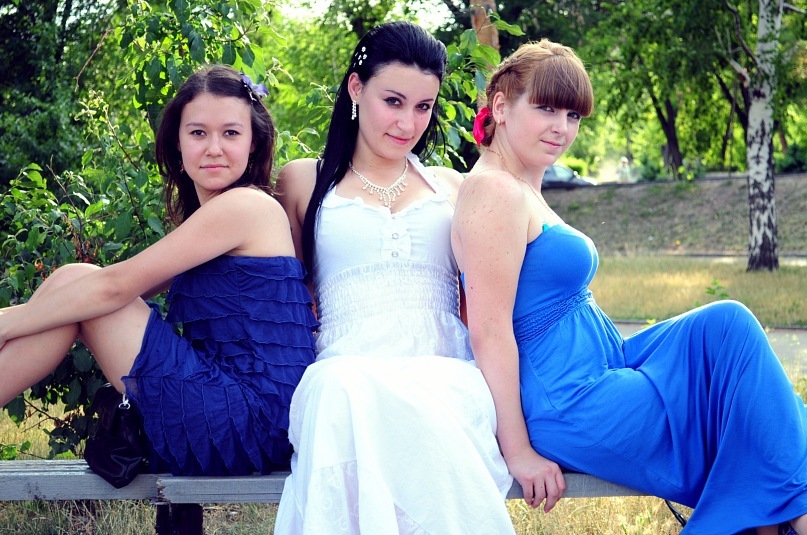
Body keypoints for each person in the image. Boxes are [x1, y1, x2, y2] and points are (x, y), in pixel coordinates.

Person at [452, 39, 807, 534]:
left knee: (728, 327)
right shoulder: (494, 190)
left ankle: (777, 521)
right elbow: (488, 331)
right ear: (500, 107)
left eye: (573, 116)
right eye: (547, 109)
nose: (561, 128)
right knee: (757, 408)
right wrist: (518, 452)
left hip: (605, 367)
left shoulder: (520, 185)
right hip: (570, 398)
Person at [0, 64, 318, 478]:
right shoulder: (219, 215)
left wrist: (7, 322)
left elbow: (114, 288)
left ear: (253, 143)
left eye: (231, 133)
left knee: (78, 283)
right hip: (240, 408)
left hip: (250, 418)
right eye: (198, 133)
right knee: (75, 285)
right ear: (178, 143)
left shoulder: (246, 207)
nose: (214, 148)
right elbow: (120, 288)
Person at [273, 21, 514, 534]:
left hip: (442, 375)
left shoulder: (453, 187)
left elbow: (485, 306)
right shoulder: (303, 180)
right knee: (342, 388)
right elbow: (287, 297)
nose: (408, 123)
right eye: (393, 101)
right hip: (344, 372)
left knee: (427, 397)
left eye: (423, 107)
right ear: (356, 88)